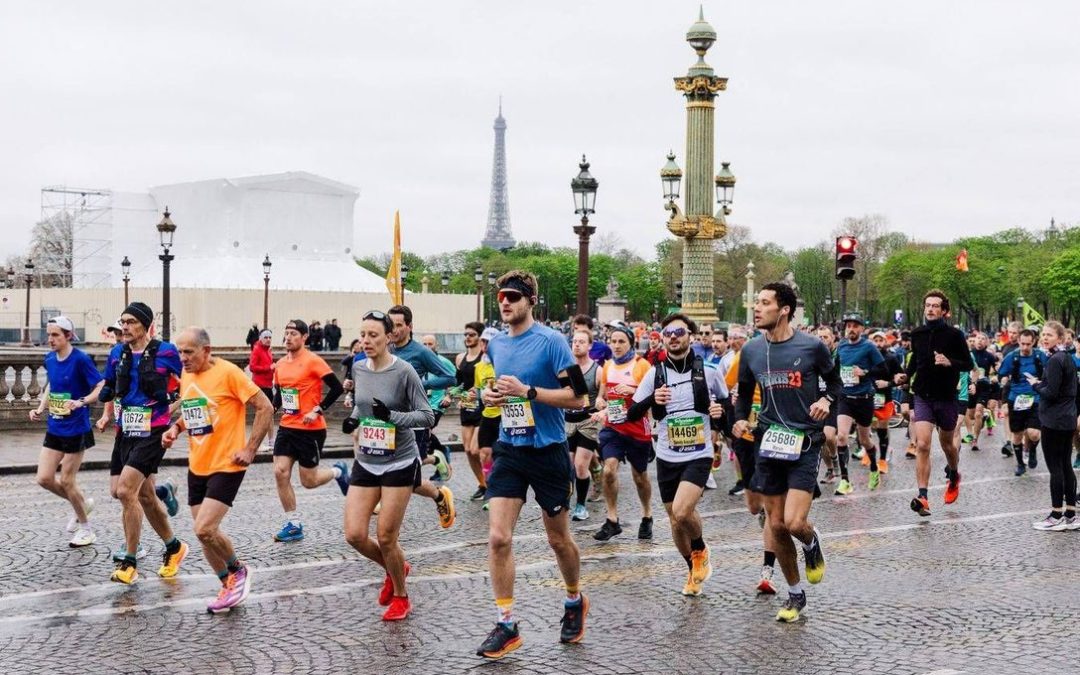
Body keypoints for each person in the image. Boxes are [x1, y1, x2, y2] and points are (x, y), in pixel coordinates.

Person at [477, 270, 591, 659]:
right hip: (511, 449)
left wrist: (529, 392)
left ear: (529, 300)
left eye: (512, 296)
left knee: (558, 540)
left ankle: (574, 599)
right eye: (500, 296)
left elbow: (580, 398)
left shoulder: (553, 342)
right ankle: (506, 622)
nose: (504, 302)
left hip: (548, 450)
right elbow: (500, 392)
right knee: (498, 537)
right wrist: (492, 398)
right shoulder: (496, 346)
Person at [732, 283, 838, 622]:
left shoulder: (811, 347)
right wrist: (738, 421)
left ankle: (810, 541)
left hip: (805, 442)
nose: (756, 308)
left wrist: (825, 401)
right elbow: (743, 394)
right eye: (756, 302)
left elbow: (835, 383)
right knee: (776, 526)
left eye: (764, 303)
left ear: (785, 309)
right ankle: (795, 593)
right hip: (768, 442)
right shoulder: (750, 350)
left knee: (794, 522)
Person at [162, 327, 273, 612]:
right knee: (204, 536)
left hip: (228, 463)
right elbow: (194, 411)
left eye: (189, 352)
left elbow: (265, 407)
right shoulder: (187, 374)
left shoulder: (229, 373)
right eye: (180, 352)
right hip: (198, 463)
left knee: (205, 529)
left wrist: (250, 449)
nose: (183, 358)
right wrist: (175, 428)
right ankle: (227, 585)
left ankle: (239, 571)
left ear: (207, 351)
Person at [341, 310, 437, 620]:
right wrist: (354, 417)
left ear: (388, 338)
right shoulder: (359, 369)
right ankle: (397, 567)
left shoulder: (405, 371)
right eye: (363, 335)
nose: (366, 341)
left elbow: (426, 416)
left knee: (385, 537)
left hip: (399, 460)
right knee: (354, 534)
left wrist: (392, 418)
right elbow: (361, 401)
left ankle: (401, 595)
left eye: (373, 335)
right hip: (368, 458)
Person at [627, 313, 728, 596]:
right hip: (667, 455)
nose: (673, 337)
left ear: (690, 336)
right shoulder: (655, 374)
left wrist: (720, 414)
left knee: (684, 511)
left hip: (699, 452)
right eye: (668, 333)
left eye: (679, 332)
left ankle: (699, 548)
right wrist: (651, 399)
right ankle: (691, 567)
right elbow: (631, 413)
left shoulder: (708, 371)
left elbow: (726, 405)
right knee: (674, 520)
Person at [97, 302, 187, 584]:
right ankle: (174, 547)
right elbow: (109, 387)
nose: (124, 326)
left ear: (146, 325)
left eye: (131, 321)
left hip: (152, 433)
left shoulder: (166, 352)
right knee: (139, 495)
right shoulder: (116, 353)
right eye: (123, 321)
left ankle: (130, 562)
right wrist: (99, 407)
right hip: (126, 431)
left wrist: (171, 414)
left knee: (126, 492)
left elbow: (193, 382)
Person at [270, 319, 349, 542]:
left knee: (309, 481)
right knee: (280, 472)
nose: (288, 337)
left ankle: (338, 471)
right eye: (286, 333)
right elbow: (280, 394)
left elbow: (337, 387)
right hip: (287, 426)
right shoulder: (280, 365)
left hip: (310, 429)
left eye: (294, 333)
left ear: (304, 337)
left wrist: (318, 409)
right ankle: (294, 524)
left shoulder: (313, 361)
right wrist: (272, 408)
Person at [30, 316, 105, 547]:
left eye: (55, 335)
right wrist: (41, 408)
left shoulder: (80, 360)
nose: (50, 339)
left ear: (68, 336)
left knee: (67, 481)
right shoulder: (50, 358)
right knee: (44, 478)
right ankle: (82, 503)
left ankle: (86, 529)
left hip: (76, 428)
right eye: (48, 334)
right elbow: (52, 384)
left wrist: (82, 402)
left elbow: (100, 385)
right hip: (55, 426)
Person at [897, 290, 973, 517]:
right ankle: (923, 496)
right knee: (922, 444)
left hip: (946, 397)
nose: (930, 309)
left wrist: (950, 362)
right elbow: (915, 364)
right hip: (922, 395)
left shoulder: (955, 335)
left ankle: (954, 473)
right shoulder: (917, 334)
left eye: (935, 306)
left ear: (944, 311)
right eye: (927, 305)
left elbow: (968, 364)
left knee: (947, 444)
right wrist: (904, 377)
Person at [386, 305, 456, 524]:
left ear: (409, 326)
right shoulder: (386, 349)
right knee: (385, 467)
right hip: (389, 421)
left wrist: (422, 383)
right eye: (391, 325)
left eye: (399, 325)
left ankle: (439, 495)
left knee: (411, 479)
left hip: (414, 422)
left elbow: (449, 377)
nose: (395, 330)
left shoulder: (420, 352)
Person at [592, 322, 654, 541]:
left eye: (621, 342)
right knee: (608, 471)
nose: (616, 346)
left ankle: (647, 515)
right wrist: (600, 402)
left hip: (637, 428)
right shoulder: (608, 365)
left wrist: (634, 390)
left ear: (631, 343)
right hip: (614, 427)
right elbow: (603, 394)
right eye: (613, 341)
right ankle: (612, 519)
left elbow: (654, 397)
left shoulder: (642, 365)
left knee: (640, 477)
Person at [1027, 321, 1079, 530]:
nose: (1045, 338)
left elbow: (1051, 392)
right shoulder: (1066, 358)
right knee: (1066, 465)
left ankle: (1056, 515)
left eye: (1049, 335)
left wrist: (1036, 384)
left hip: (1054, 420)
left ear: (1060, 337)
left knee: (1056, 467)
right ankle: (1070, 514)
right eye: (1043, 335)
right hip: (1066, 418)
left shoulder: (1056, 360)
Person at [834, 314, 886, 494]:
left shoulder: (869, 347)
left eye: (855, 326)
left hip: (864, 398)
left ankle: (873, 467)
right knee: (841, 436)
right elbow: (834, 368)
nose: (851, 329)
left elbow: (882, 369)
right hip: (845, 397)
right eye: (848, 325)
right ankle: (845, 480)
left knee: (864, 439)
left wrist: (864, 372)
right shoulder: (841, 346)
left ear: (862, 330)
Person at [999, 329, 1049, 476]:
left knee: (1034, 433)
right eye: (1022, 344)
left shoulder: (1040, 356)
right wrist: (1002, 396)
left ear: (1033, 342)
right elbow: (1002, 374)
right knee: (1017, 434)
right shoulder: (1011, 357)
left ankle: (1032, 450)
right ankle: (1020, 463)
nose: (1025, 347)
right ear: (1019, 342)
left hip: (1036, 398)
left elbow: (1049, 373)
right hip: (1016, 399)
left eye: (1028, 344)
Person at [566, 328, 602, 521]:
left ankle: (581, 506)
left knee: (580, 466)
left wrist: (601, 402)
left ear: (589, 345)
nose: (577, 344)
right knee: (567, 466)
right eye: (574, 341)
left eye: (581, 341)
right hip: (568, 422)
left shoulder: (597, 371)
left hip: (589, 421)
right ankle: (566, 501)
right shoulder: (566, 368)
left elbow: (603, 397)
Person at [456, 322, 487, 501]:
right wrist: (455, 394)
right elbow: (459, 383)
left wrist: (477, 392)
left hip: (481, 407)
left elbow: (486, 381)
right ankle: (482, 484)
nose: (468, 337)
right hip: (466, 406)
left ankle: (491, 483)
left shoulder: (485, 358)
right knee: (467, 449)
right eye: (466, 334)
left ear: (479, 337)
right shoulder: (460, 358)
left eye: (472, 334)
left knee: (476, 449)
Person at [869, 331, 902, 476]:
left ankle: (882, 459)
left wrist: (887, 383)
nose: (878, 343)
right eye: (875, 340)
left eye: (880, 340)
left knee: (882, 428)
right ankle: (869, 450)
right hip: (867, 397)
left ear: (885, 342)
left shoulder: (891, 358)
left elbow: (901, 379)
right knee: (868, 428)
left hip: (885, 398)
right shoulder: (866, 357)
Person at [249, 329, 276, 450]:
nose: (268, 339)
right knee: (261, 414)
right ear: (260, 338)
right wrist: (269, 367)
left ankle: (271, 441)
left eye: (270, 337)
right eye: (266, 337)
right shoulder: (257, 349)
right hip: (260, 386)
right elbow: (252, 367)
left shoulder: (268, 351)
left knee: (270, 413)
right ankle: (255, 442)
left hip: (269, 385)